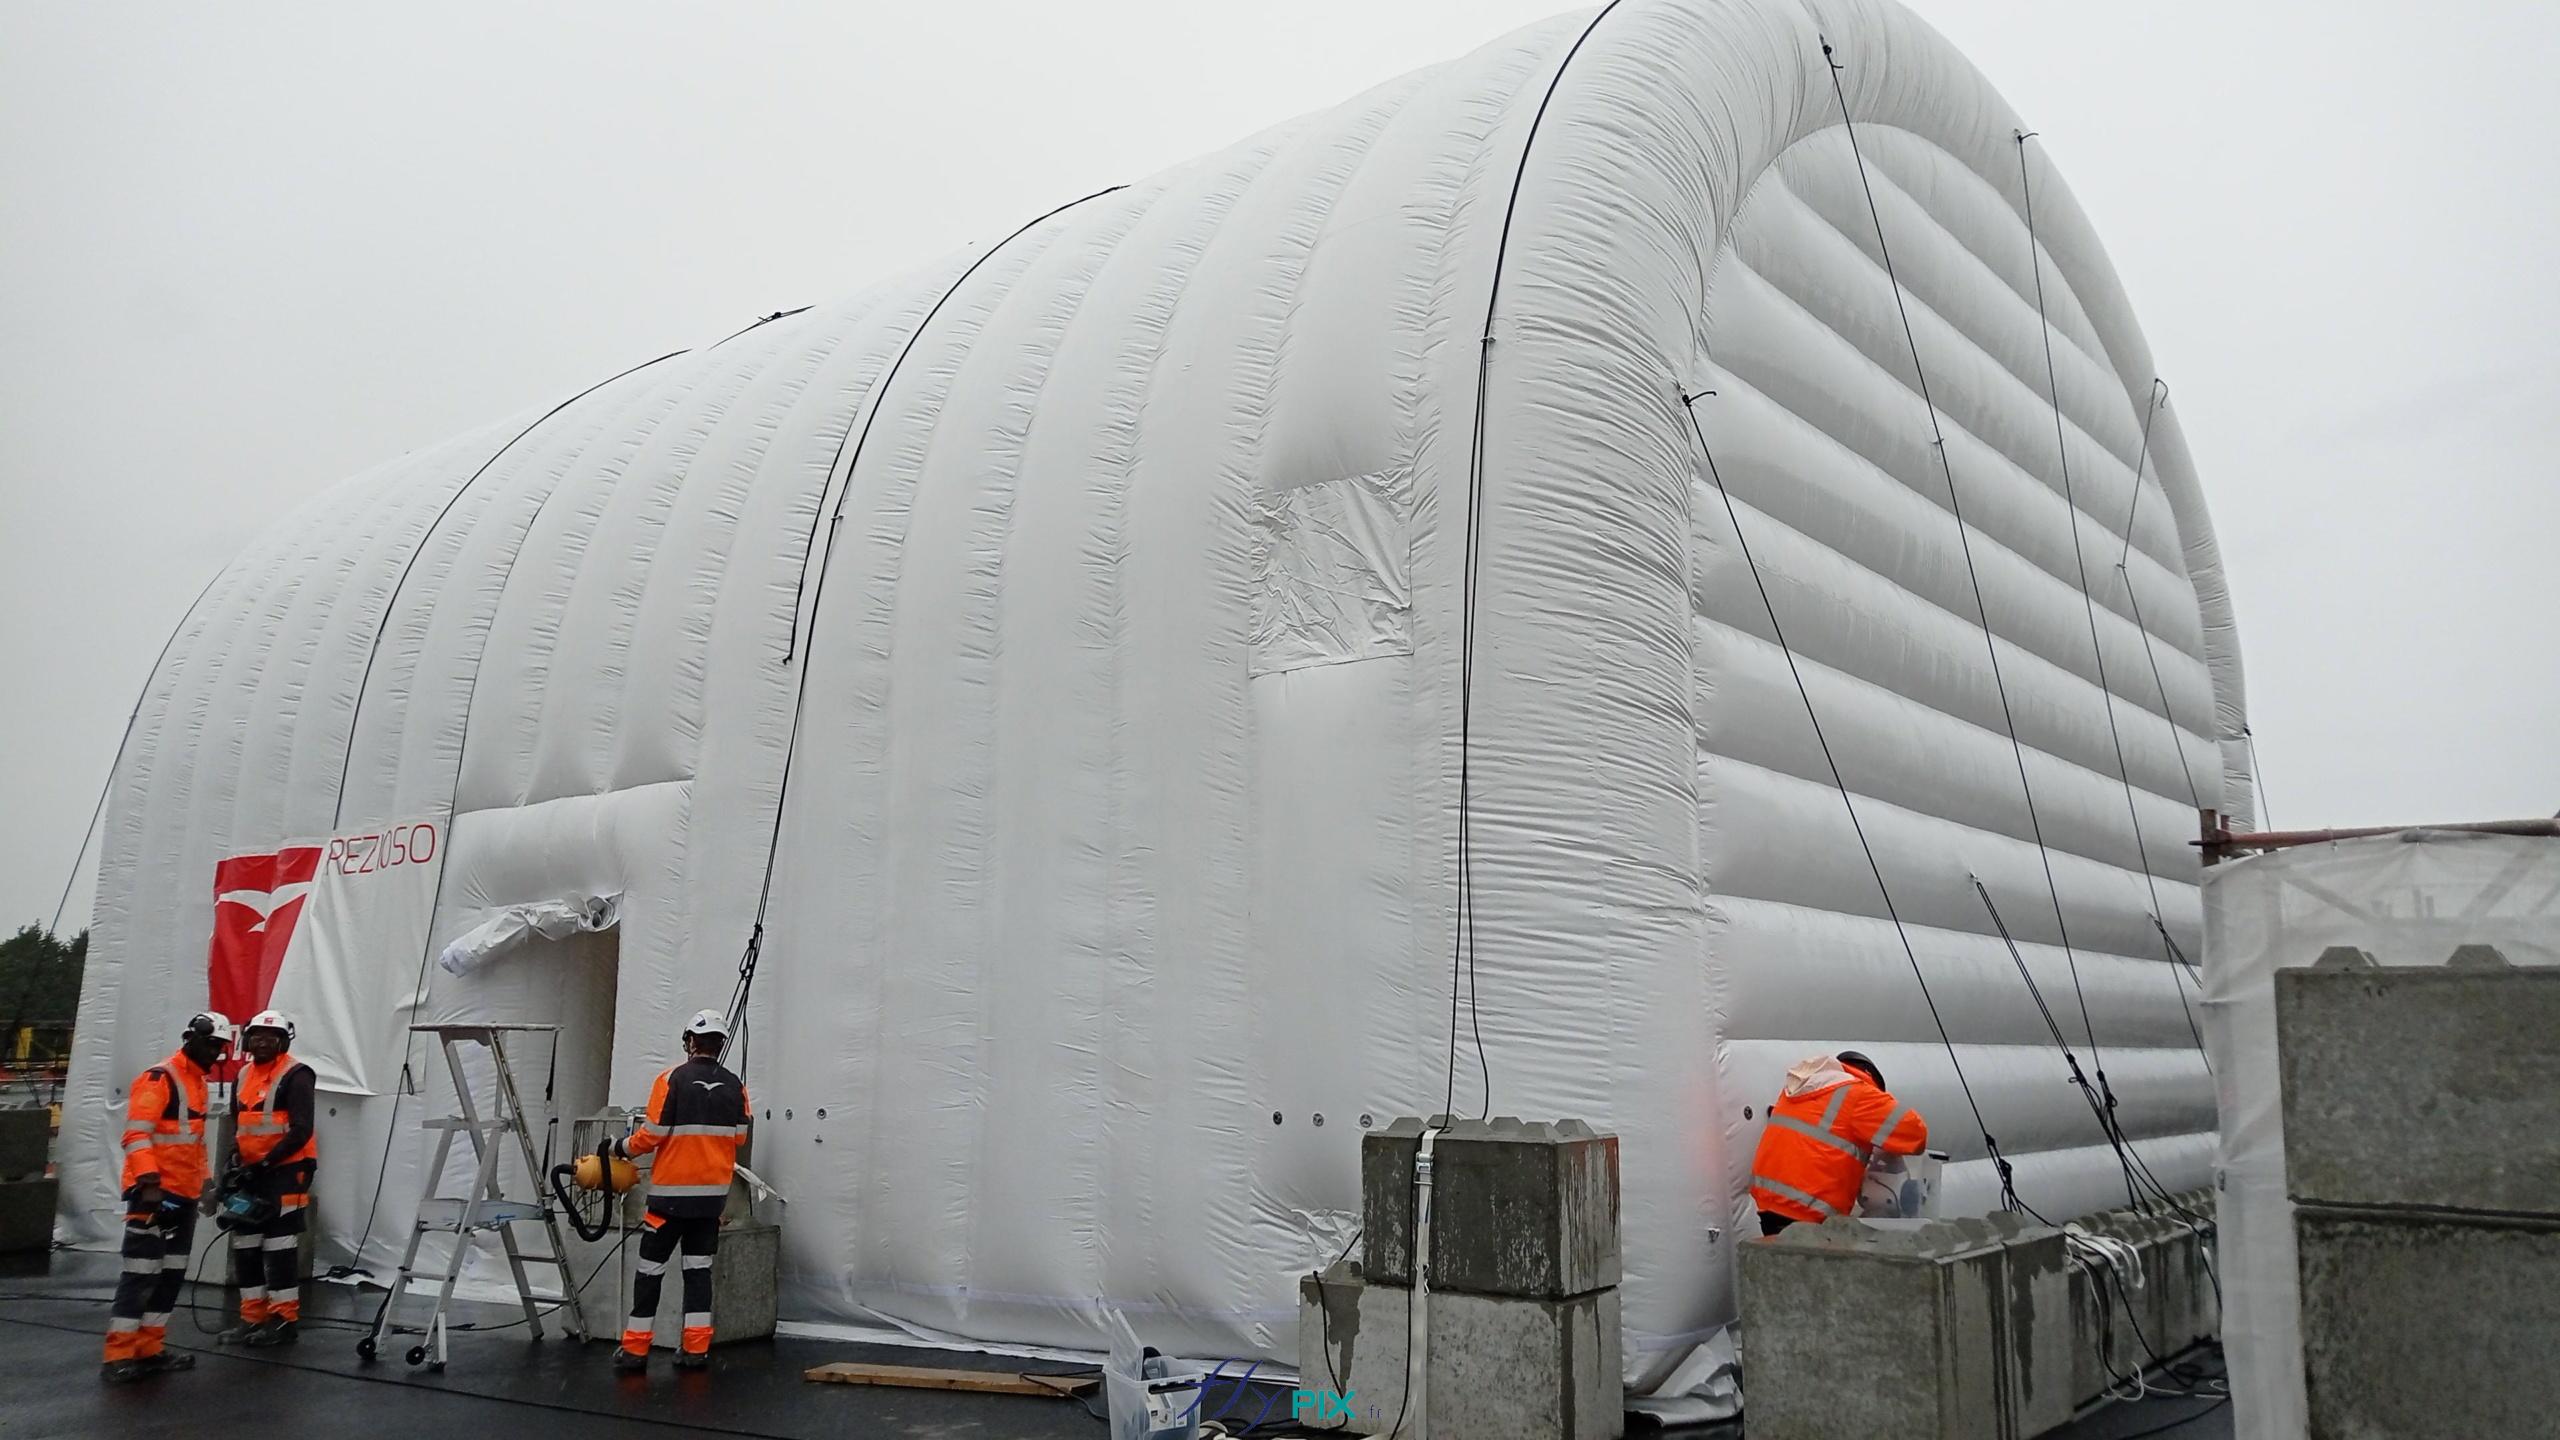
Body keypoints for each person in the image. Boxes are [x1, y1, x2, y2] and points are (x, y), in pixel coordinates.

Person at [604, 1009, 750, 1374]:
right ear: (721, 1044)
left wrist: (618, 1148)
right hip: (710, 1202)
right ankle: (696, 1349)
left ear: (690, 1041)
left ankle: (636, 1351)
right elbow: (740, 1137)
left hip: (669, 1201)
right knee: (698, 1272)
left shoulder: (671, 1080)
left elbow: (651, 1136)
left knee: (650, 1272)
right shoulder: (737, 1087)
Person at [103, 1011, 232, 1383]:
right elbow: (136, 1135)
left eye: (220, 1047)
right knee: (140, 1275)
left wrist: (205, 1185)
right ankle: (118, 1355)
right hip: (154, 1197)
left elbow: (193, 1143)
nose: (215, 1052)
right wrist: (150, 1187)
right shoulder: (160, 1078)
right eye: (211, 1044)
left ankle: (148, 1350)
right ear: (190, 1037)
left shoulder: (198, 1083)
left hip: (184, 1198)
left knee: (170, 1277)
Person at [1747, 1050, 1928, 1236]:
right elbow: (1916, 1134)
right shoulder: (1860, 1094)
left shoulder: (1802, 1087)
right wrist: (1882, 1101)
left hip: (1769, 1205)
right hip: (1807, 1211)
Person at [219, 1008, 316, 1346]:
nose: (262, 1042)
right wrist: (234, 1161)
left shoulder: (297, 1074)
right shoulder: (243, 1075)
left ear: (283, 1041)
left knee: (279, 1247)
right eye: (256, 1035)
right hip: (250, 1172)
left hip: (287, 1172)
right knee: (245, 1245)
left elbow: (301, 1129)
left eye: (270, 1037)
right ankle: (252, 1317)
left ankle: (283, 1319)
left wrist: (266, 1163)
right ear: (247, 1040)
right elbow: (240, 1123)